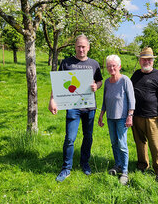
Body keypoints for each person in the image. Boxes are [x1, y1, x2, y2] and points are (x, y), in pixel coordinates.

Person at [48, 34, 103, 182]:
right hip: (72, 107)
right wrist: (52, 100)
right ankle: (66, 168)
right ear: (75, 47)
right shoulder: (66, 63)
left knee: (88, 136)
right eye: (79, 46)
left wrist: (96, 86)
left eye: (84, 46)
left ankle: (85, 163)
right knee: (70, 138)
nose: (81, 49)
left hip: (89, 107)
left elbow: (100, 81)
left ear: (88, 48)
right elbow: (58, 84)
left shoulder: (94, 64)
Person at [130, 47, 158, 183]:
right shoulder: (135, 75)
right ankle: (143, 165)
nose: (146, 61)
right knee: (140, 143)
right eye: (144, 59)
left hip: (153, 117)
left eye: (149, 59)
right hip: (136, 116)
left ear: (152, 61)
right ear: (140, 61)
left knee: (156, 145)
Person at [98, 54, 135, 185]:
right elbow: (105, 101)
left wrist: (130, 116)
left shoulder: (125, 80)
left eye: (113, 65)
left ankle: (124, 171)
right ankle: (117, 165)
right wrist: (101, 114)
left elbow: (132, 100)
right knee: (114, 143)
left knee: (122, 144)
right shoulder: (107, 82)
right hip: (110, 118)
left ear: (119, 66)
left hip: (122, 118)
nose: (111, 68)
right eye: (109, 66)